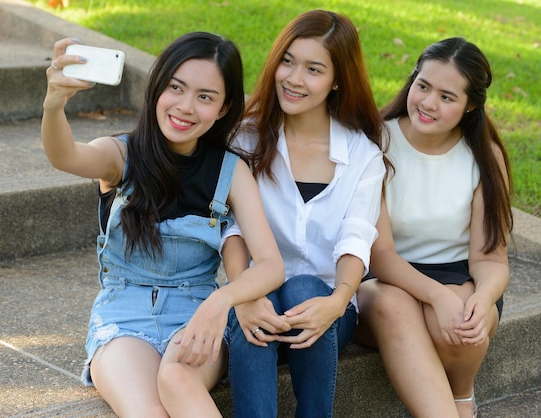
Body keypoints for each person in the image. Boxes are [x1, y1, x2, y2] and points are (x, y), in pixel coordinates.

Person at [41, 32, 285, 418]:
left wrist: (220, 302)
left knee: (177, 380)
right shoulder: (120, 155)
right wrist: (54, 104)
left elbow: (271, 265)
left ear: (223, 109)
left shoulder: (231, 171)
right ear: (157, 88)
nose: (186, 107)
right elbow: (67, 156)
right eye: (176, 88)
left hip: (196, 311)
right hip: (123, 315)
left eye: (205, 96)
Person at [221, 10, 387, 418]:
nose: (294, 79)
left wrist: (338, 300)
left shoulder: (362, 154)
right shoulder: (246, 137)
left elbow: (357, 235)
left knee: (305, 288)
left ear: (337, 80)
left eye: (313, 69)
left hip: (328, 307)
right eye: (288, 61)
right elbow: (232, 227)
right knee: (256, 314)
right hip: (255, 292)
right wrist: (243, 294)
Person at [354, 37, 512, 418]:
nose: (427, 103)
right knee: (398, 306)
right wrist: (436, 296)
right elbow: (381, 253)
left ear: (470, 105)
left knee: (463, 321)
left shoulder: (484, 156)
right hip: (383, 279)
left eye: (446, 96)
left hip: (458, 276)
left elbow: (490, 257)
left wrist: (483, 298)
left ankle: (462, 397)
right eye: (422, 86)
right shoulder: (377, 141)